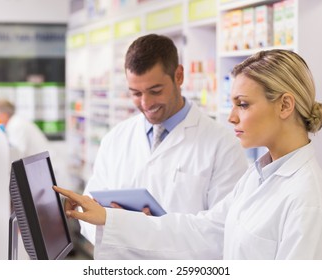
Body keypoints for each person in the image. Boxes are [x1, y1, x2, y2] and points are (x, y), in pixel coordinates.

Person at [55, 49, 322, 259]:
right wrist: (109, 219)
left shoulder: (308, 203)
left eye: (243, 104)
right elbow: (202, 229)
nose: (231, 117)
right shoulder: (258, 177)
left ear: (284, 106)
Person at [78, 34, 248, 254]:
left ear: (178, 76)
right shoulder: (116, 138)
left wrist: (138, 227)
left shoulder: (222, 145)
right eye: (136, 93)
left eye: (155, 91)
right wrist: (111, 221)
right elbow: (87, 212)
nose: (146, 103)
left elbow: (223, 231)